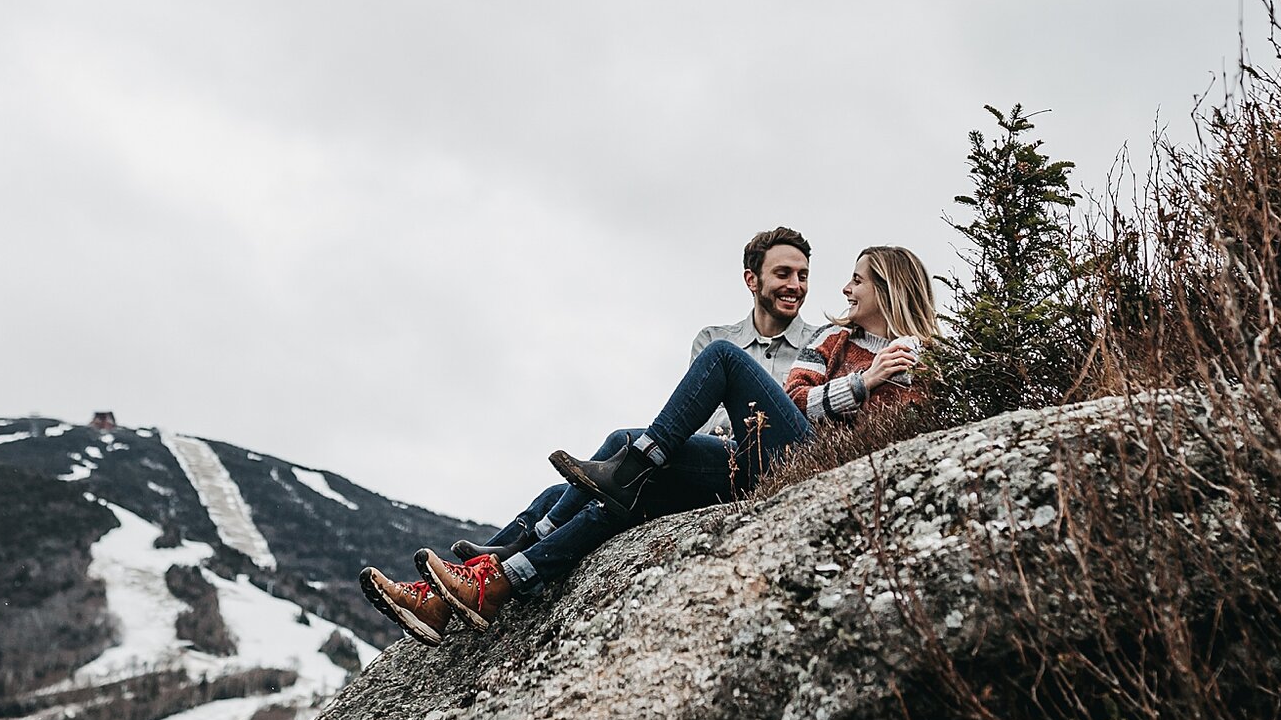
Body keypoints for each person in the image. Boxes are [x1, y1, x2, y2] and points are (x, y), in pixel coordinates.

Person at [364, 245, 938, 644]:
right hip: (758, 452)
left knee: (717, 366)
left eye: (857, 280)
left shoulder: (926, 361)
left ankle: (616, 479)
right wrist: (861, 383)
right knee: (627, 458)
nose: (843, 288)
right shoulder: (833, 340)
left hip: (810, 470)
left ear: (888, 288)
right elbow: (794, 397)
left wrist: (883, 384)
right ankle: (487, 581)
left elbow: (885, 447)